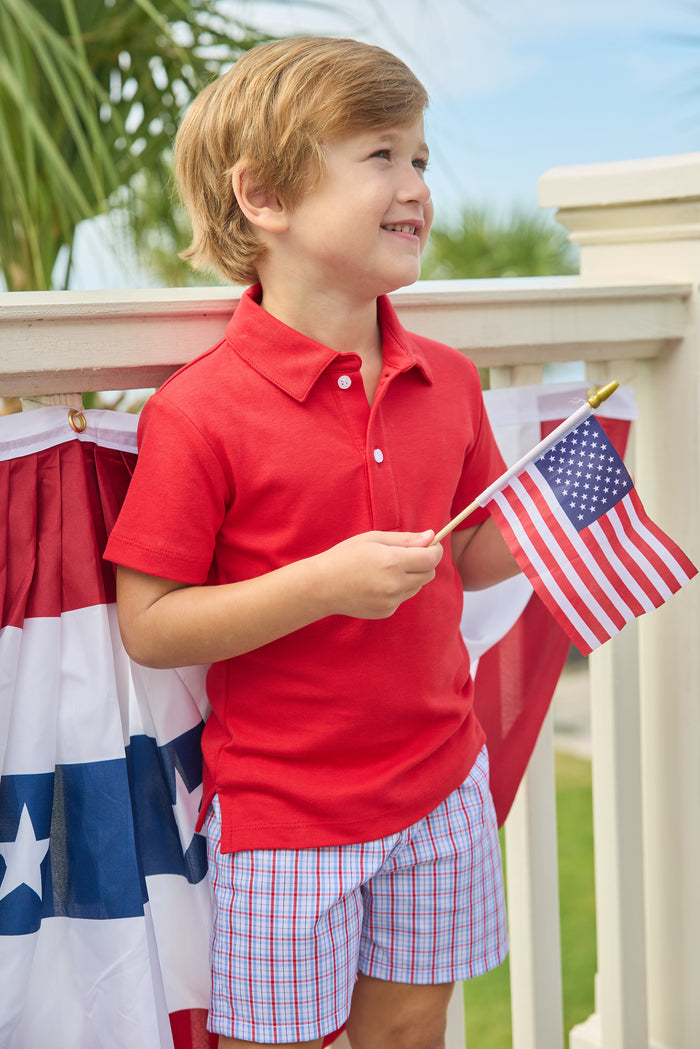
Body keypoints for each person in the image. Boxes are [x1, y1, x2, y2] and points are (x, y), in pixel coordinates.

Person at [105, 36, 521, 1049]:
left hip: (440, 784)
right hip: (288, 818)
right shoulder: (201, 411)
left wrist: (551, 509)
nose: (416, 184)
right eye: (378, 155)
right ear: (263, 196)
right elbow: (151, 624)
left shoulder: (449, 381)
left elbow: (471, 553)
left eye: (419, 157)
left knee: (413, 1028)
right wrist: (324, 582)